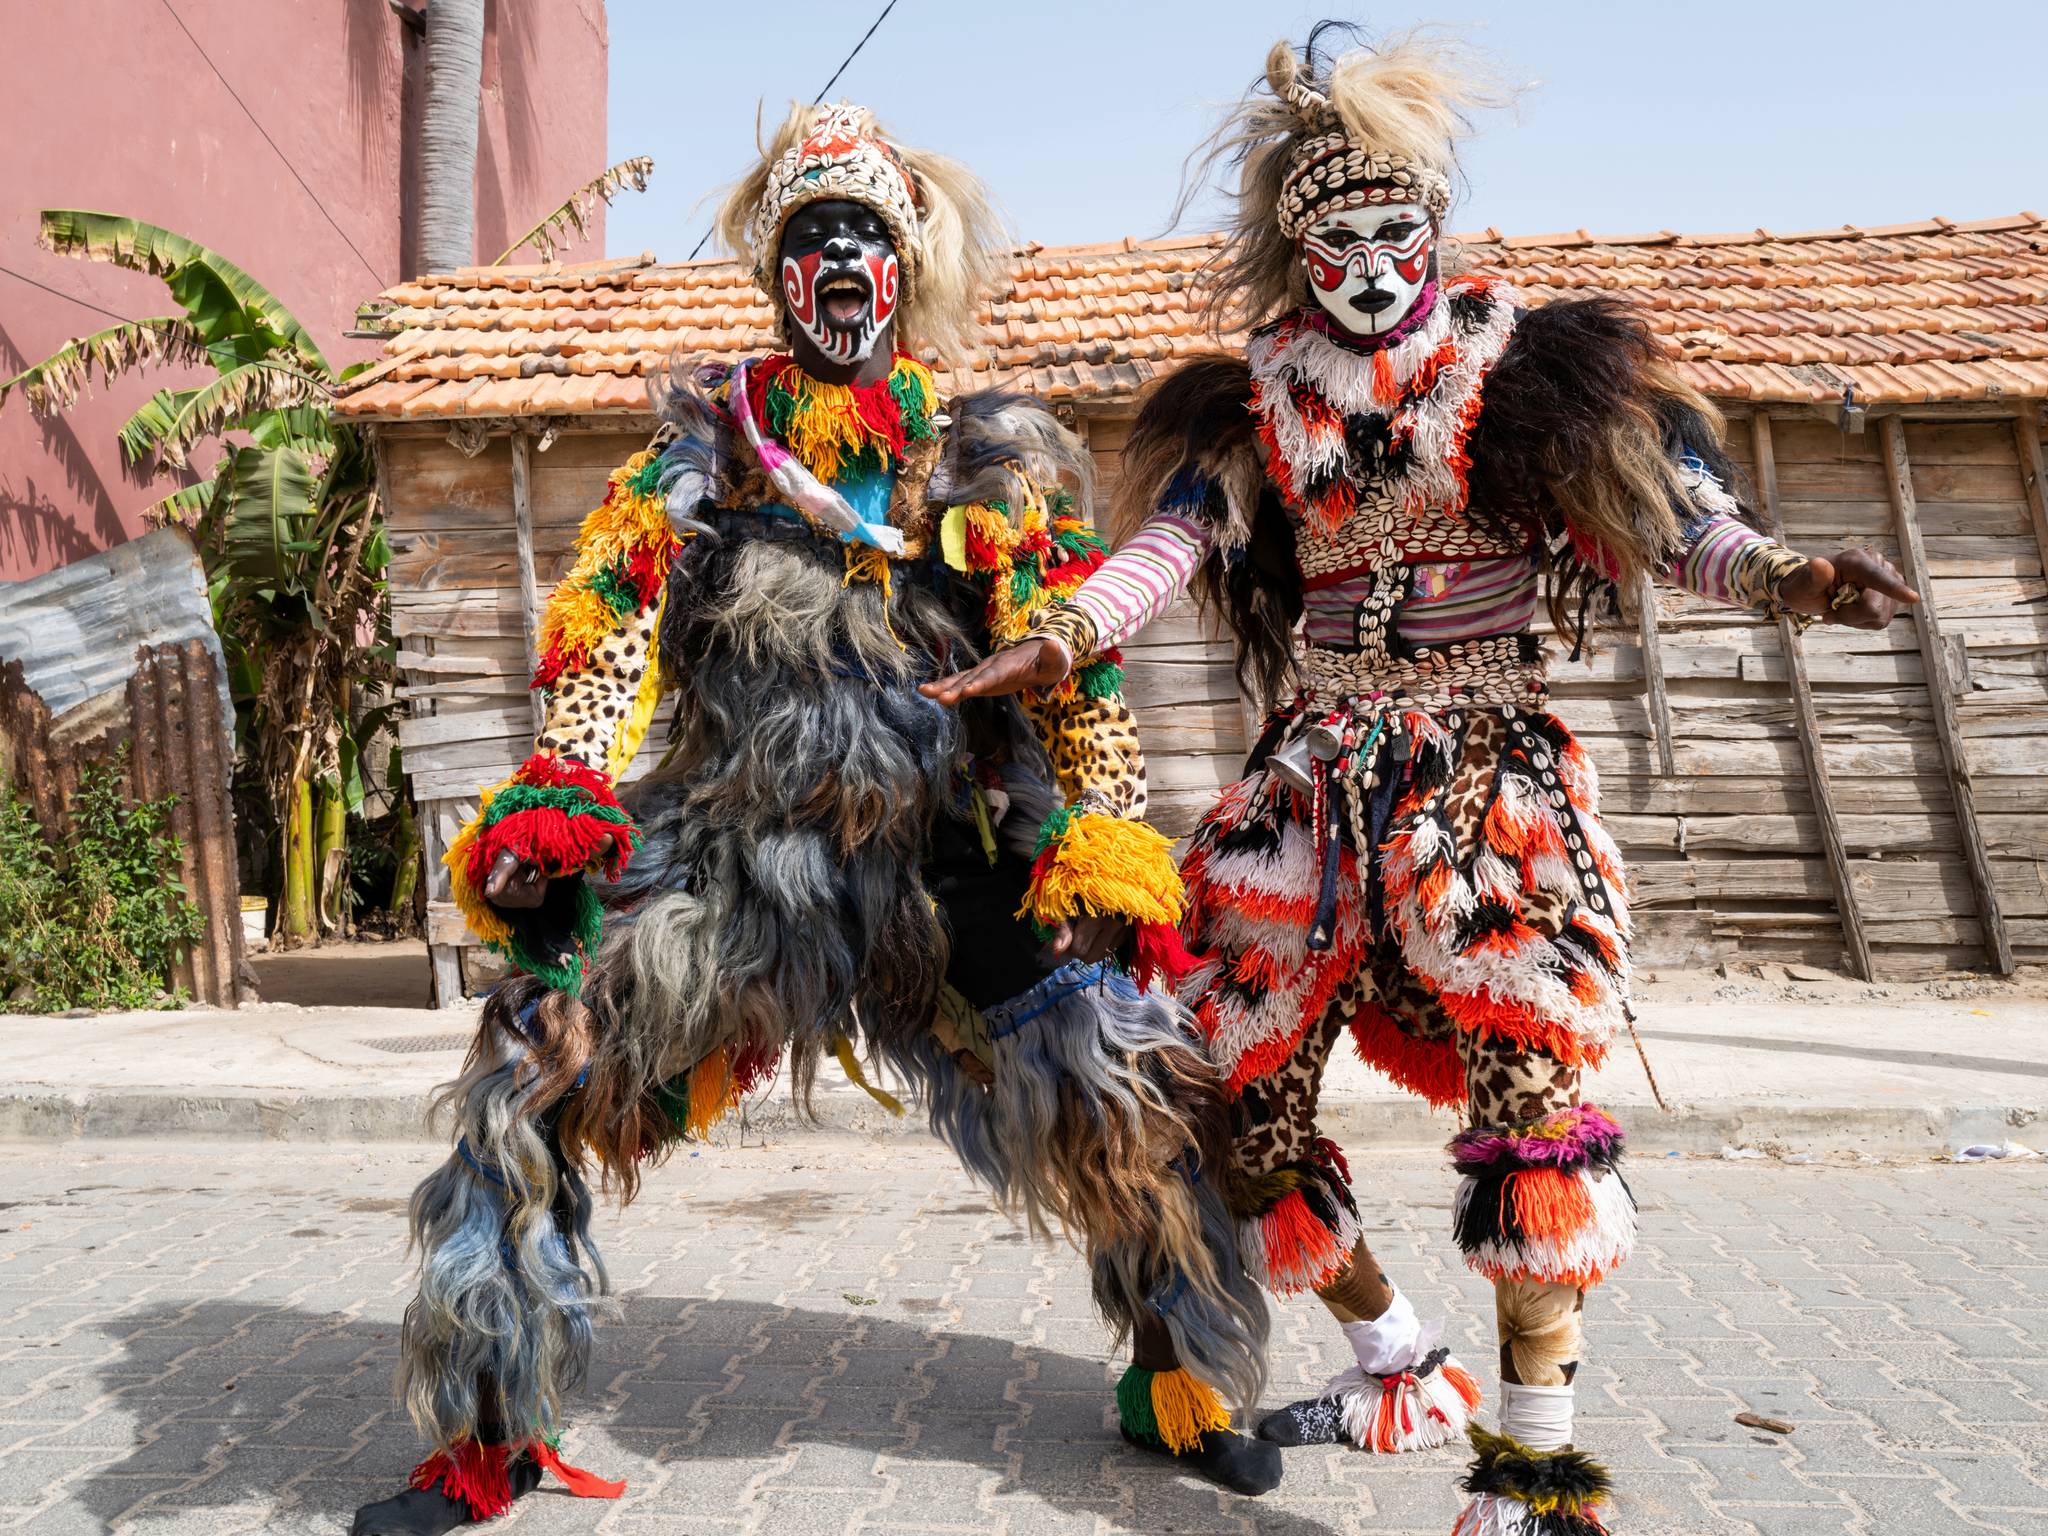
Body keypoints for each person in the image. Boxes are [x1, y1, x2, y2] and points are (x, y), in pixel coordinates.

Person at [923, 27, 1917, 1531]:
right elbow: (1166, 551)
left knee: (1531, 1106)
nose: (1375, 264)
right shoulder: (1256, 397)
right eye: (1342, 240)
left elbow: (1673, 520)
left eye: (1400, 234)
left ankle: (1535, 1468)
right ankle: (1395, 1355)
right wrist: (1060, 636)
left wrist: (1784, 577)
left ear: (1437, 233)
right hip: (1312, 794)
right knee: (1237, 1108)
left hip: (1486, 783)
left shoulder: (1524, 369)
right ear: (1299, 252)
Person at [350, 102, 1279, 1536]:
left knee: (1129, 1082)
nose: (840, 260)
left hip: (949, 858)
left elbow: (1073, 667)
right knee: (529, 1055)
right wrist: (556, 811)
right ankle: (487, 1430)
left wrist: (1106, 836)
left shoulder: (985, 471)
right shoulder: (698, 464)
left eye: (864, 238)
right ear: (778, 277)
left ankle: (1184, 1380)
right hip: (741, 854)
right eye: (810, 238)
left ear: (903, 275)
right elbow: (603, 634)